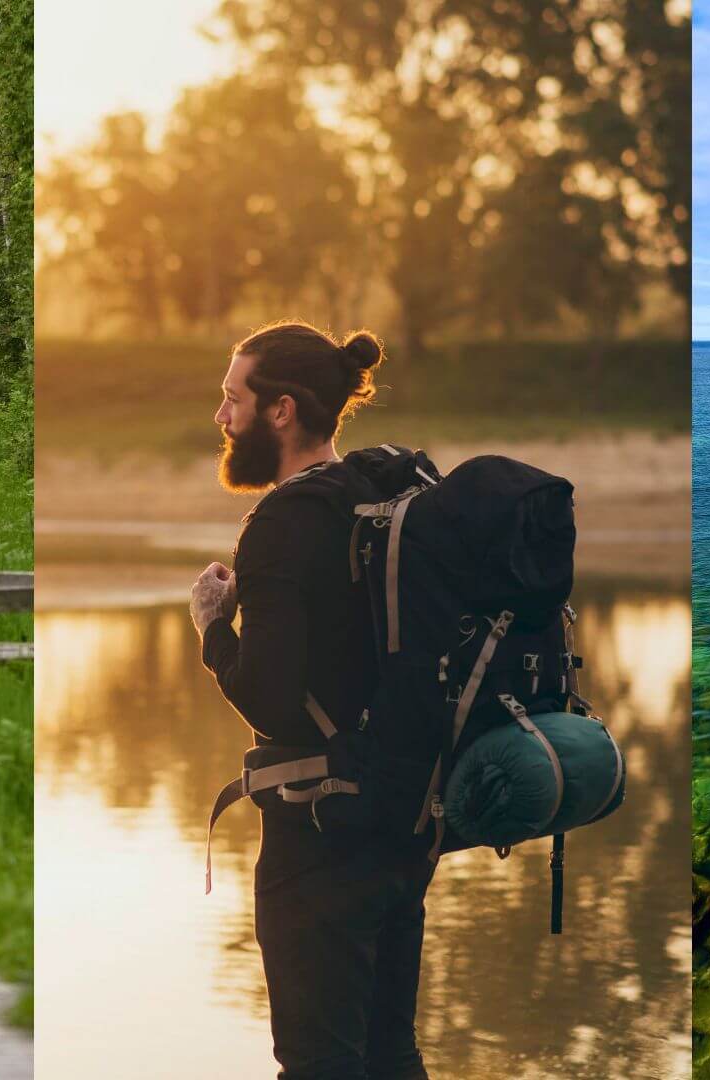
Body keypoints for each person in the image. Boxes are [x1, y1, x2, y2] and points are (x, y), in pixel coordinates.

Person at [190, 321, 435, 1080]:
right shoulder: (381, 493)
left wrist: (211, 628)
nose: (222, 416)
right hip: (406, 819)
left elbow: (273, 703)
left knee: (318, 1062)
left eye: (235, 399)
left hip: (319, 832)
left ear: (282, 411)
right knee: (390, 1053)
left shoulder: (283, 523)